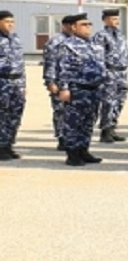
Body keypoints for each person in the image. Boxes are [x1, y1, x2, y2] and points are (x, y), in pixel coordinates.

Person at [57, 13, 107, 167]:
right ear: (73, 27)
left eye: (89, 24)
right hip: (77, 90)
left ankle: (83, 150)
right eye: (84, 24)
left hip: (94, 89)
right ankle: (72, 154)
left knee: (88, 121)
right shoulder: (67, 45)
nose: (88, 27)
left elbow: (101, 67)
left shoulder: (95, 45)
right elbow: (63, 69)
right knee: (74, 122)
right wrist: (64, 89)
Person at [92, 8, 128, 143]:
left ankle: (113, 127)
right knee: (108, 101)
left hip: (122, 72)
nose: (116, 21)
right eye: (113, 19)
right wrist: (102, 74)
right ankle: (105, 130)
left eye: (117, 19)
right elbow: (98, 57)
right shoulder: (101, 36)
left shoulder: (120, 35)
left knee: (120, 100)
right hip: (109, 72)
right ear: (105, 20)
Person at [44, 15, 75, 151]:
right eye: (72, 25)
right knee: (60, 110)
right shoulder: (55, 41)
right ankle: (62, 138)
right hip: (59, 82)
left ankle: (73, 137)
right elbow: (49, 62)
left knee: (74, 112)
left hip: (76, 82)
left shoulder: (79, 41)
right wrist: (50, 81)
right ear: (66, 26)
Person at [0, 10, 26, 161]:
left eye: (12, 22)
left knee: (15, 115)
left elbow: (21, 64)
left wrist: (23, 85)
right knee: (2, 115)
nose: (10, 25)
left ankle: (8, 144)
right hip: (2, 81)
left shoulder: (16, 39)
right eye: (6, 22)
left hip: (16, 82)